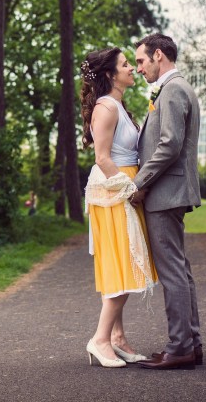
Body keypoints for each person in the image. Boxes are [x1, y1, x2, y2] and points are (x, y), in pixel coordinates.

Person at [80, 47, 158, 368]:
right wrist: (131, 189)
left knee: (121, 266)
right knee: (122, 267)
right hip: (114, 192)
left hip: (121, 188)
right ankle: (99, 340)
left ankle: (117, 338)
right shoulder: (106, 108)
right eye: (126, 65)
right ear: (111, 75)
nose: (131, 68)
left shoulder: (118, 106)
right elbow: (102, 158)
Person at [129, 33, 203, 371]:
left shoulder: (172, 90)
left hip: (164, 194)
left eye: (141, 60)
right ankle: (190, 344)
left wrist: (139, 183)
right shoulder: (175, 88)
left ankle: (180, 348)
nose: (139, 68)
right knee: (181, 271)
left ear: (159, 55)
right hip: (172, 192)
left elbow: (170, 145)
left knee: (172, 272)